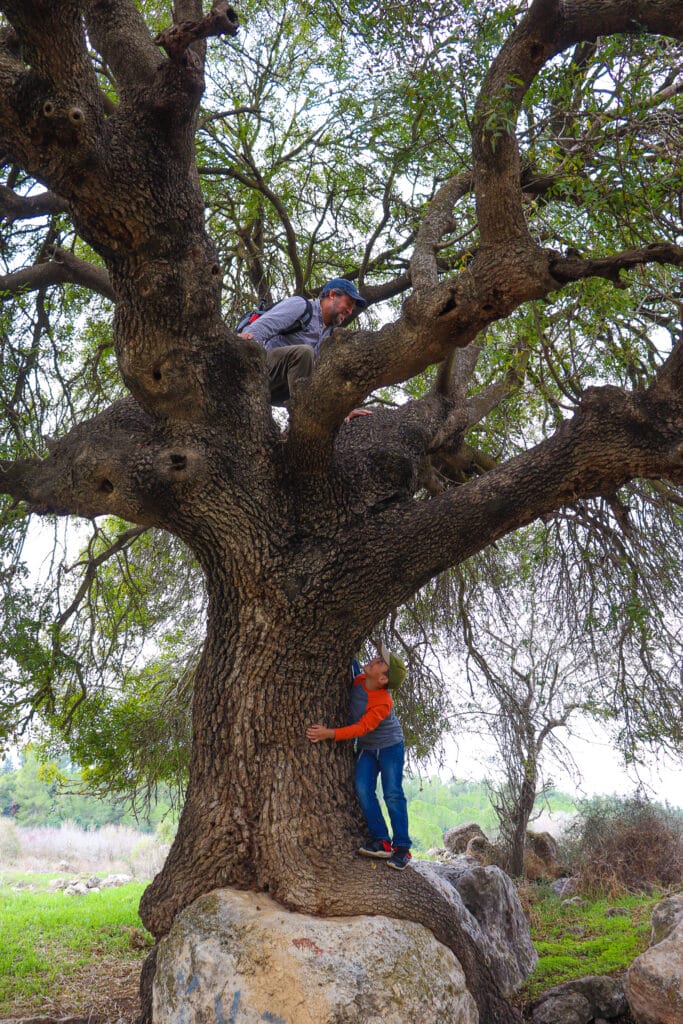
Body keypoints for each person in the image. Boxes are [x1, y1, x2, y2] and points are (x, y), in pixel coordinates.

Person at [306, 643, 412, 870]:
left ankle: (402, 848)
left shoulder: (383, 702)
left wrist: (329, 734)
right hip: (367, 748)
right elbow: (352, 660)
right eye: (378, 658)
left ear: (383, 679)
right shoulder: (358, 678)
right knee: (363, 788)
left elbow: (360, 729)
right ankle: (382, 840)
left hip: (389, 747)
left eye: (380, 662)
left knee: (392, 793)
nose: (374, 659)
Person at [237, 278, 367, 406]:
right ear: (332, 295)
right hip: (260, 369)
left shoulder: (330, 336)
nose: (350, 311)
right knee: (304, 352)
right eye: (349, 304)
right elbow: (258, 329)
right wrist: (244, 360)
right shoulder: (301, 306)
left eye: (352, 308)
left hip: (280, 390)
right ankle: (304, 410)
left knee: (321, 376)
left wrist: (341, 411)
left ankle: (308, 414)